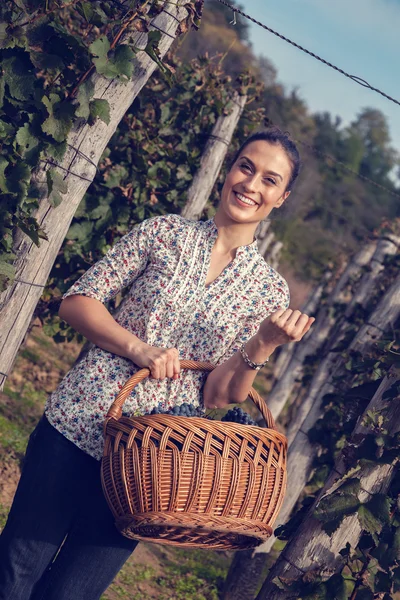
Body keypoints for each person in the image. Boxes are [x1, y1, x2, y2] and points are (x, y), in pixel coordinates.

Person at [0, 127, 315, 600]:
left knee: (71, 594)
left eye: (269, 180)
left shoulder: (269, 291)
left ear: (281, 197)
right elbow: (76, 301)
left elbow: (216, 395)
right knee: (13, 575)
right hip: (76, 426)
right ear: (229, 170)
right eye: (246, 167)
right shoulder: (165, 231)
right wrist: (138, 349)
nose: (251, 185)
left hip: (151, 468)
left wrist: (265, 343)